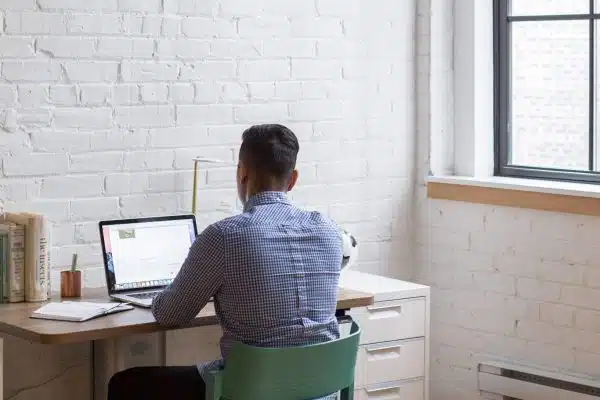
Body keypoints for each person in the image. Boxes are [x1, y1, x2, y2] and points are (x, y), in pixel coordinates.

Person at [107, 124, 343, 400]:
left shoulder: (225, 236)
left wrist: (166, 288)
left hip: (250, 390)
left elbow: (171, 314)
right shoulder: (329, 231)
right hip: (322, 390)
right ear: (293, 180)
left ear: (242, 173)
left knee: (126, 384)